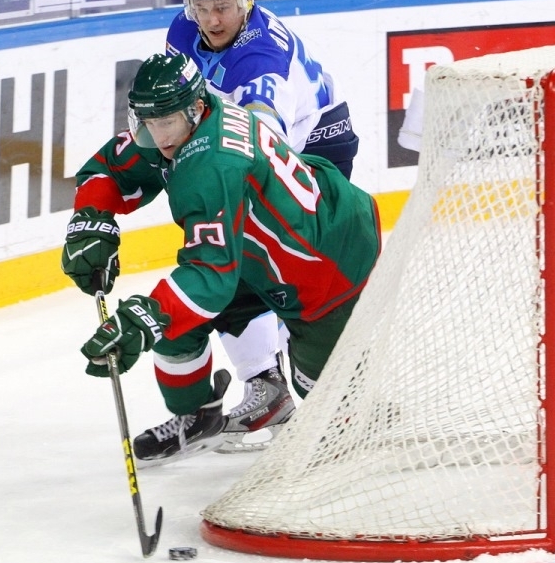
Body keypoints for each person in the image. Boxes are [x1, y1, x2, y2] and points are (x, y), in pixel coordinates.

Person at [61, 53, 380, 465]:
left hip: (329, 261)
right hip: (262, 251)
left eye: (166, 122)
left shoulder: (209, 166)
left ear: (194, 109)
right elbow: (110, 167)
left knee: (332, 407)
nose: (158, 136)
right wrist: (90, 220)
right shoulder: (186, 120)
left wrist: (145, 318)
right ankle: (198, 418)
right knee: (173, 320)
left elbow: (211, 277)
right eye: (149, 122)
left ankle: (350, 418)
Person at [165, 0, 361, 446]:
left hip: (314, 146)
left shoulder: (261, 61)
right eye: (202, 8)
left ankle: (335, 393)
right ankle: (267, 387)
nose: (213, 20)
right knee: (237, 264)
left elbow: (262, 143)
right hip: (260, 139)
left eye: (224, 7)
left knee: (283, 272)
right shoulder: (182, 29)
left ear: (247, 1)